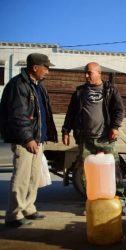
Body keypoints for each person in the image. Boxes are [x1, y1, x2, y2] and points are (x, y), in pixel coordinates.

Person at [61, 62, 126, 215]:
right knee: (87, 173)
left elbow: (119, 110)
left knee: (114, 170)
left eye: (89, 73)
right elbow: (70, 113)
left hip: (106, 139)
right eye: (85, 72)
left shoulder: (110, 89)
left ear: (99, 73)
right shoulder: (79, 93)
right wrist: (65, 131)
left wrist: (115, 127)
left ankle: (121, 201)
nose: (86, 75)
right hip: (86, 139)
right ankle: (91, 202)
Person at [0, 53, 58, 228]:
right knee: (22, 177)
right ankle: (13, 214)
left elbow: (41, 113)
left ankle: (28, 208)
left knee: (34, 177)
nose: (47, 71)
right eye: (46, 67)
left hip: (36, 139)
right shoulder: (19, 85)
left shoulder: (38, 85)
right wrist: (28, 138)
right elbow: (19, 116)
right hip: (24, 140)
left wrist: (43, 135)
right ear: (35, 68)